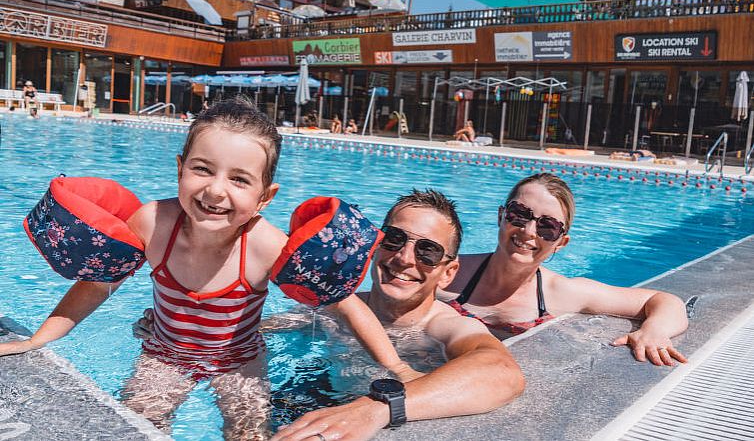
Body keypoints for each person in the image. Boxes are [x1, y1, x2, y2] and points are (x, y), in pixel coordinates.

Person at [0, 98, 411, 438]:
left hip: (239, 360)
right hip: (164, 356)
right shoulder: (153, 224)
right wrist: (37, 340)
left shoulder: (265, 247)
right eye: (202, 169)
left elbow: (342, 304)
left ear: (265, 197)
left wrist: (395, 366)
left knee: (249, 432)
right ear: (180, 167)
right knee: (134, 425)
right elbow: (96, 286)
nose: (216, 190)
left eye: (239, 179)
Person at [271, 189, 525, 441]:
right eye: (394, 239)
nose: (404, 258)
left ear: (448, 272)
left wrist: (378, 408)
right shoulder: (336, 308)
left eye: (428, 251)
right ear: (376, 245)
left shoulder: (444, 327)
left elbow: (502, 372)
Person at [438, 173, 689, 367]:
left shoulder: (562, 293)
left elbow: (665, 301)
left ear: (561, 242)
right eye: (519, 214)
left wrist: (654, 330)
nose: (528, 231)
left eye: (547, 227)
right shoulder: (449, 272)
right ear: (501, 216)